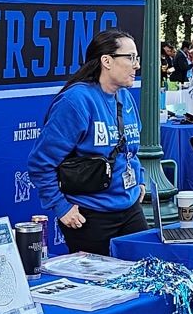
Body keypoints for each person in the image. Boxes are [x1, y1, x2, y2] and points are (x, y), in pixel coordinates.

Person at [28, 28, 147, 256]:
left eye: (137, 58)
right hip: (90, 215)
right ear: (107, 61)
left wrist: (139, 180)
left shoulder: (125, 96)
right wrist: (61, 207)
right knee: (101, 287)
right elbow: (40, 163)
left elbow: (131, 149)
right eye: (130, 57)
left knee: (144, 276)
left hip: (129, 208)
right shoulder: (76, 101)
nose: (136, 65)